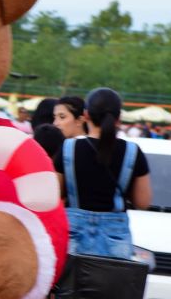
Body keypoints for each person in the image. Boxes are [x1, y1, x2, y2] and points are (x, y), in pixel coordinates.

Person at [54, 87, 152, 259]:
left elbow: (55, 194)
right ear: (118, 118)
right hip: (115, 238)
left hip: (73, 235)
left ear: (86, 115)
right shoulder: (132, 152)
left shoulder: (69, 148)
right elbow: (142, 202)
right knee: (111, 285)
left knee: (69, 285)